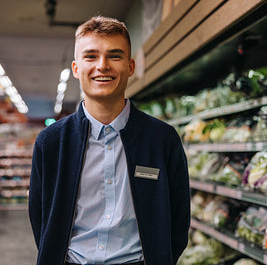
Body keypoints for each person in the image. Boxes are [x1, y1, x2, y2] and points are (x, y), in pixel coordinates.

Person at [29, 16, 190, 265]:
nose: (102, 65)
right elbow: (41, 219)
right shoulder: (51, 143)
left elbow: (179, 220)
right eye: (91, 56)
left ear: (131, 66)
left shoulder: (162, 140)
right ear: (75, 68)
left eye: (114, 56)